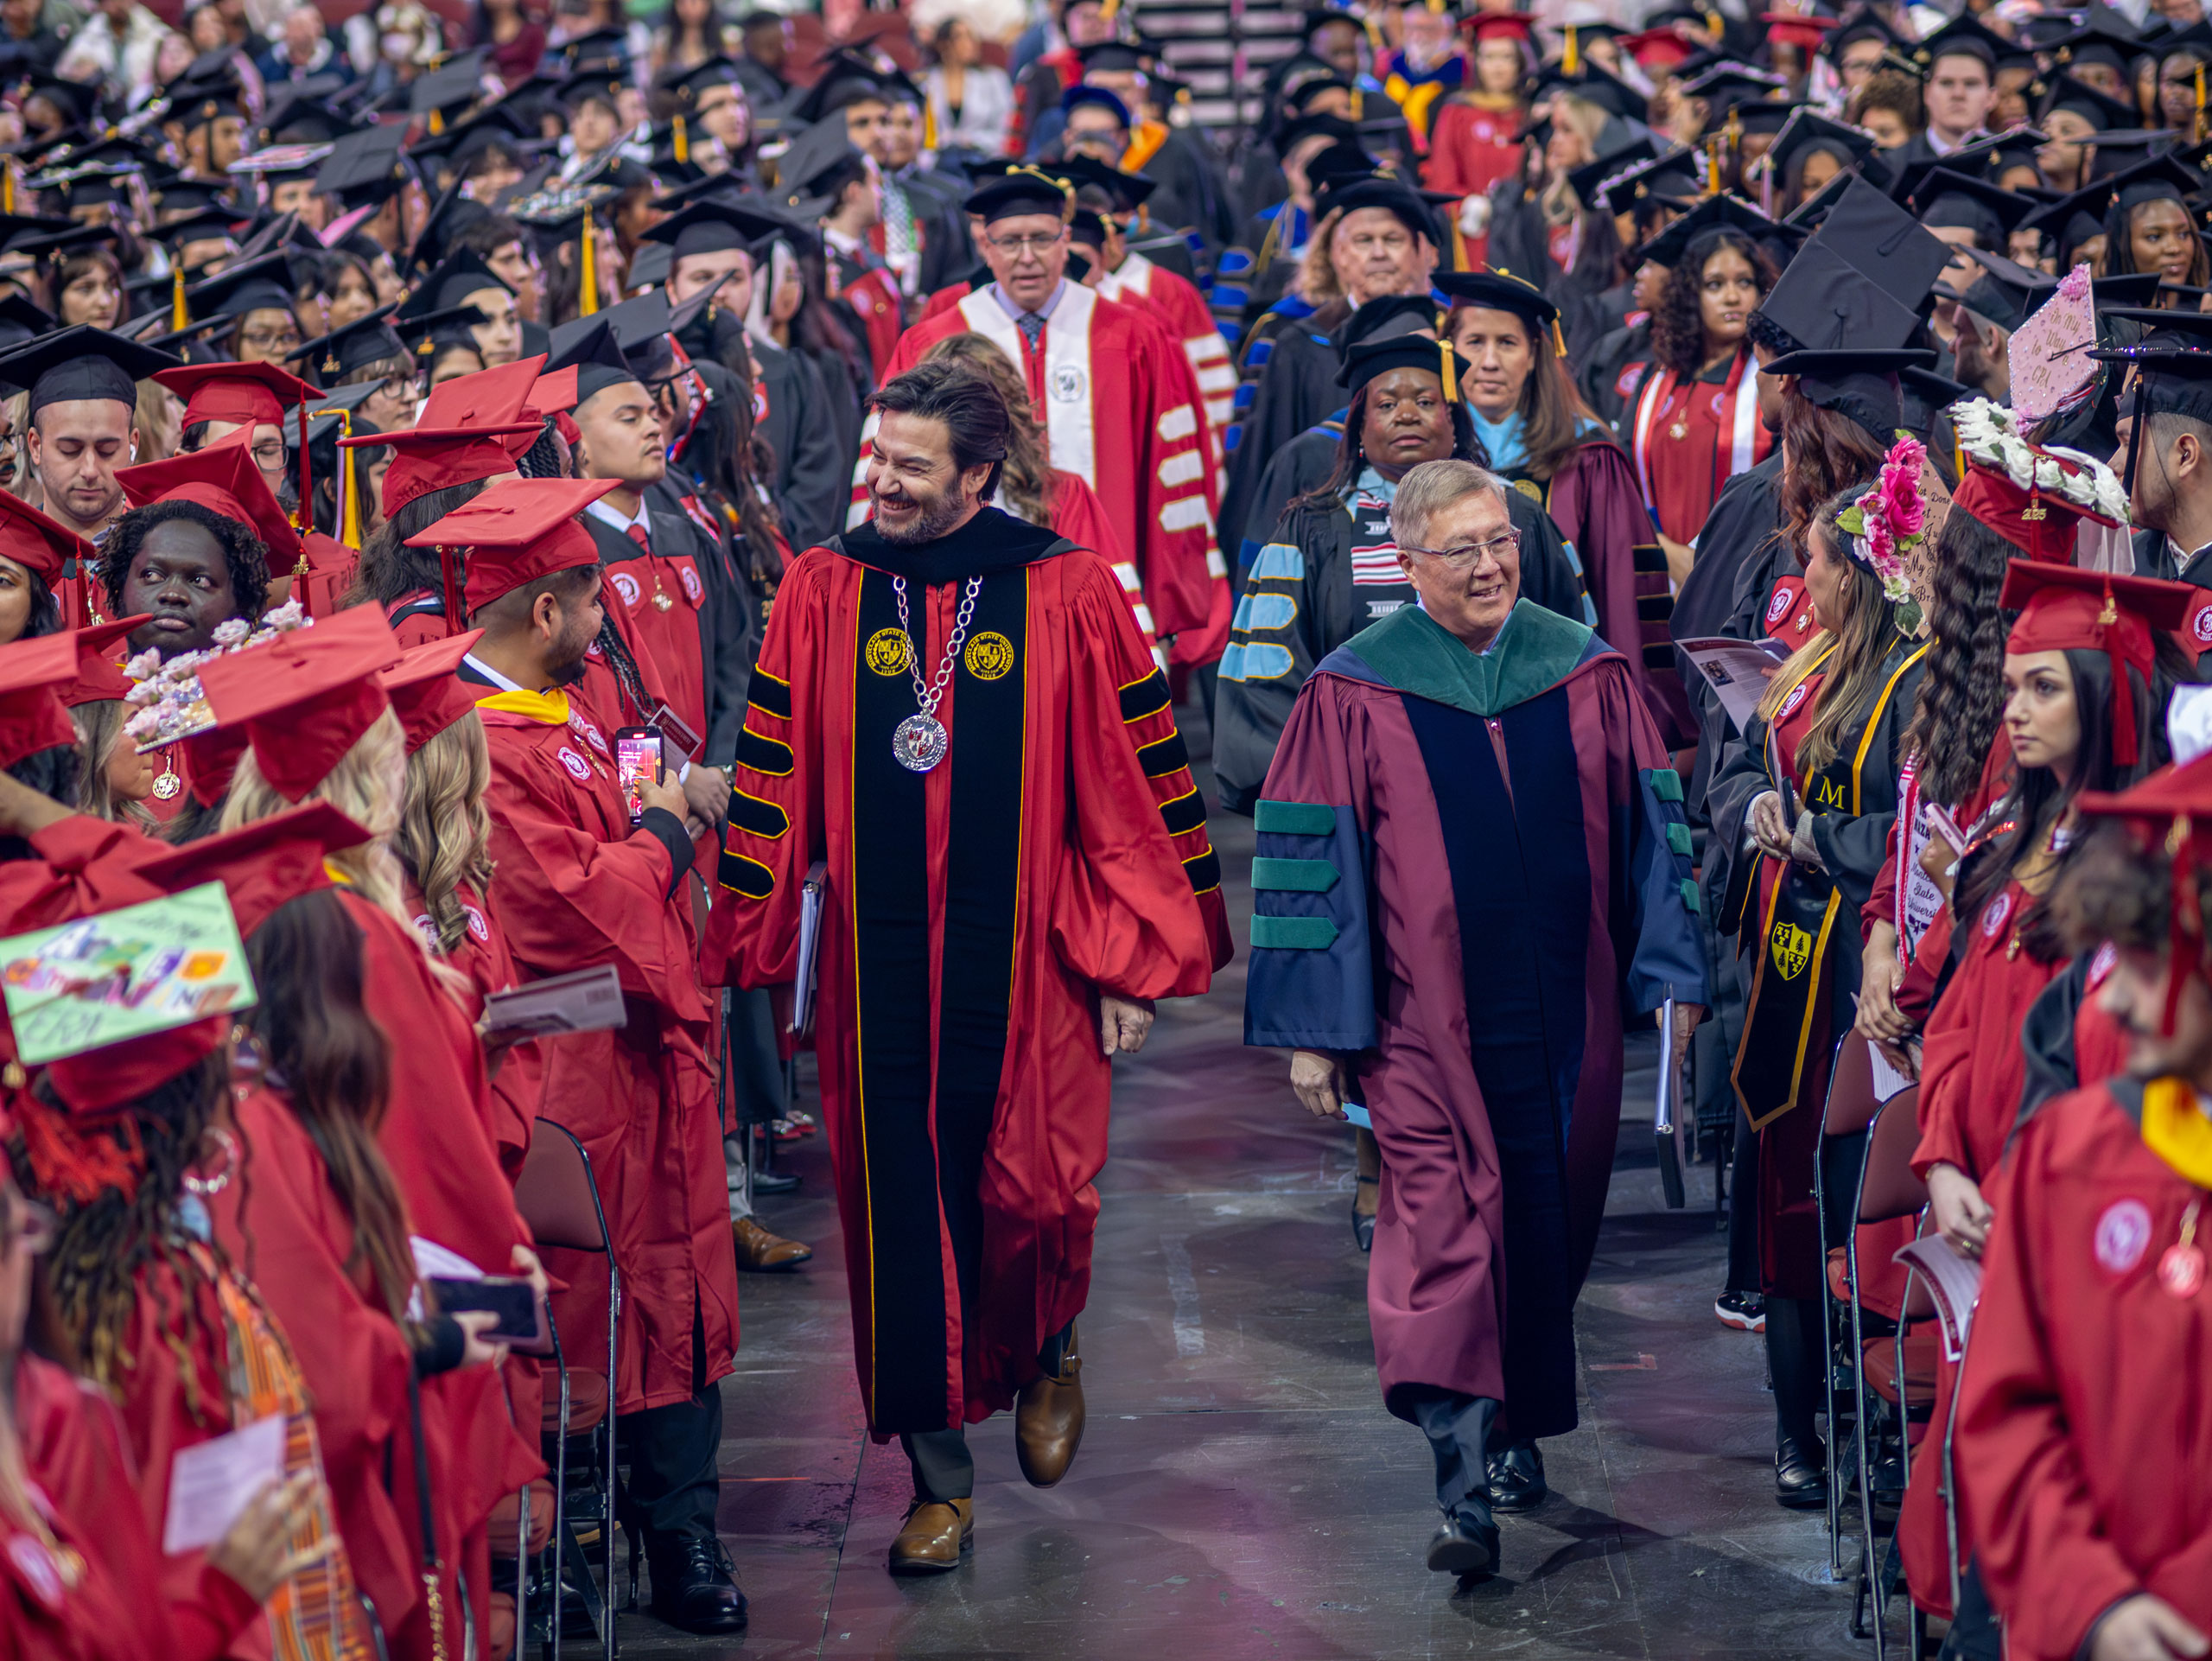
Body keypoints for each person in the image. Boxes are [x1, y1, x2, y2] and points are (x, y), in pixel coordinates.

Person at [704, 361, 1230, 1574]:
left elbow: (1128, 782)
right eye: (876, 456)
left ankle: (1050, 1337)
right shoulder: (823, 588)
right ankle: (937, 1481)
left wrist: (1128, 962)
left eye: (906, 466)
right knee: (897, 1222)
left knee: (1035, 1191)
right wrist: (750, 927)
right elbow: (776, 770)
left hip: (1030, 955)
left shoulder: (1068, 589)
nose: (876, 480)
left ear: (977, 475)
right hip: (876, 968)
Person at [1243, 455, 1705, 1574]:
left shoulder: (1581, 670)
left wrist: (1674, 974)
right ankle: (1462, 1480)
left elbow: (1656, 832)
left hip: (1572, 1019)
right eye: (1463, 548)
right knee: (1441, 1229)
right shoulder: (1356, 687)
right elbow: (1311, 856)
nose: (1493, 563)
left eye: (1501, 539)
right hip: (1416, 1028)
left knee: (1549, 1220)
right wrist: (1315, 1025)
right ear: (1407, 564)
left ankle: (1512, 1427)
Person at [416, 475, 747, 1633]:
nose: (609, 631)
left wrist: (642, 813)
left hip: (640, 1045)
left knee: (681, 1277)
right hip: (565, 1056)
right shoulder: (480, 741)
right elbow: (565, 911)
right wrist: (670, 823)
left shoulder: (565, 707)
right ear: (547, 613)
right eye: (593, 608)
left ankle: (682, 1530)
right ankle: (563, 1544)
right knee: (583, 1298)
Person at [1897, 560, 2193, 1631]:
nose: (2011, 711)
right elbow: (1957, 1024)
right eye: (2010, 685)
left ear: (2106, 690)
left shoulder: (2143, 866)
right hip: (1990, 1205)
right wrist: (1936, 1158)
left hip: (2066, 1213)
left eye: (2042, 687)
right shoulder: (2010, 844)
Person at [1708, 453, 1930, 1509]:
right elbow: (1744, 761)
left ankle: (1875, 1422)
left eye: (1816, 560)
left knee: (1857, 1199)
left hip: (1868, 968)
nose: (1802, 572)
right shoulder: (1807, 665)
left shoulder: (1920, 683)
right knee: (1785, 1190)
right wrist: (1754, 807)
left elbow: (1920, 830)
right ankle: (1796, 1424)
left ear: (1857, 573)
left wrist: (1815, 834)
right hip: (1786, 974)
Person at [1955, 759, 2212, 1661]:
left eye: (2151, 960)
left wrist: (2178, 1609)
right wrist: (2095, 1601)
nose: (2119, 997)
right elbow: (2006, 1410)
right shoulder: (2069, 1156)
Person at [870, 167, 1227, 677]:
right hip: (960, 589)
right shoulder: (933, 341)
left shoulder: (1136, 336)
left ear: (1067, 241)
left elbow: (1172, 482)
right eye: (1010, 241)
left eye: (1042, 238)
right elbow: (890, 464)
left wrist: (1165, 613)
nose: (1027, 256)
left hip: (1110, 578)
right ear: (985, 248)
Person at [1444, 267, 1688, 746]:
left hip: (1562, 687)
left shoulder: (1588, 456)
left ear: (1536, 354)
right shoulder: (1430, 453)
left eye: (1508, 344)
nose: (1489, 361)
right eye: (1474, 342)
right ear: (1449, 352)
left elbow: (1622, 594)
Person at [1622, 208, 1781, 557]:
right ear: (1690, 295)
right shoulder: (1655, 380)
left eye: (1744, 282)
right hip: (1658, 566)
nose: (1732, 297)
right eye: (1715, 284)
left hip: (1738, 564)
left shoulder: (1771, 381)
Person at [0, 329, 181, 614]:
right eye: (70, 450)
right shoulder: (10, 565)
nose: (89, 470)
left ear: (133, 444)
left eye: (107, 450)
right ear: (35, 446)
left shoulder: (169, 551)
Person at [927, 16, 1014, 156]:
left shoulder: (995, 79)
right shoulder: (926, 81)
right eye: (960, 37)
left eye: (972, 37)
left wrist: (972, 140)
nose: (971, 43)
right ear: (943, 44)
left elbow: (1006, 130)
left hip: (983, 157)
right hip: (937, 160)